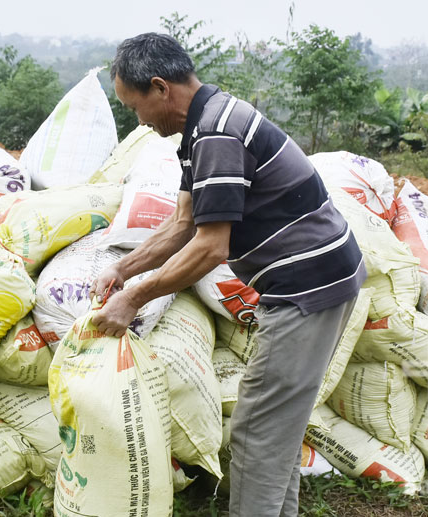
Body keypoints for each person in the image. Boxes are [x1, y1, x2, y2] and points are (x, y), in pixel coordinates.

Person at [91, 32, 367, 517]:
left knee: (257, 428)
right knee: (273, 426)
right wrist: (122, 267)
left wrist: (134, 299)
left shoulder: (216, 135)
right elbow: (184, 222)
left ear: (160, 88)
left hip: (308, 287)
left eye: (134, 106)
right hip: (314, 278)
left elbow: (210, 246)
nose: (138, 118)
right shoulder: (203, 126)